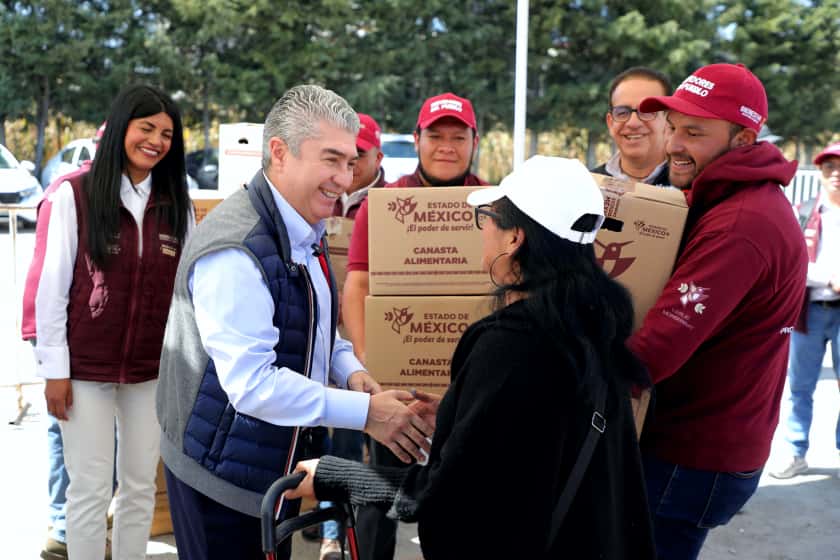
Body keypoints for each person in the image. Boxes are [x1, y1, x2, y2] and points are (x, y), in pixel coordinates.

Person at [286, 155, 656, 559]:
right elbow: (537, 437)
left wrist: (336, 476)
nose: (483, 230)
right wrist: (459, 414)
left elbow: (443, 495)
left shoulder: (512, 345)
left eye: (489, 217)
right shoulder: (592, 327)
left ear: (516, 238)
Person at [155, 84, 432, 560]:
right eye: (331, 160)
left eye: (350, 161)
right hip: (222, 479)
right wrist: (366, 413)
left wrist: (350, 372)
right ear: (279, 153)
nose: (344, 179)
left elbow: (316, 329)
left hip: (269, 469)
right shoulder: (236, 249)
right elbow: (252, 385)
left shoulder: (303, 223)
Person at [628, 63, 808, 558]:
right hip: (700, 443)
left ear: (744, 138)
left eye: (694, 132)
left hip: (691, 454)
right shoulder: (724, 198)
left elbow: (650, 354)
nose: (673, 145)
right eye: (673, 127)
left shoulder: (740, 224)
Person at [27, 84, 193, 560]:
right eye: (146, 128)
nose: (157, 141)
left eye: (166, 133)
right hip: (84, 371)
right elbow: (52, 289)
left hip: (151, 372)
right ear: (122, 126)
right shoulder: (72, 195)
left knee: (140, 486)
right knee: (90, 489)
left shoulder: (175, 201)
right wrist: (54, 370)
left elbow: (188, 290)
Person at [341, 92, 488, 560]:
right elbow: (358, 283)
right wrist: (370, 369)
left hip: (469, 388)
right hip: (399, 385)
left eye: (457, 137)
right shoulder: (385, 203)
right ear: (418, 139)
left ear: (474, 142)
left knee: (463, 504)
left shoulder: (497, 202)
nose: (447, 146)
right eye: (436, 136)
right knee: (381, 496)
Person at [22, 120, 107, 560]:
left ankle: (79, 522)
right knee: (67, 428)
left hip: (77, 331)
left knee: (79, 434)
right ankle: (63, 525)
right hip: (58, 329)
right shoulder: (73, 191)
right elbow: (55, 279)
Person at [319, 111, 385, 560]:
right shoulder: (322, 196)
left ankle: (336, 531)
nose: (351, 165)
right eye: (342, 156)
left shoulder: (391, 205)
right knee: (319, 435)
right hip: (320, 337)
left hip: (367, 342)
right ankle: (325, 522)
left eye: (359, 156)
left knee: (354, 439)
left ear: (378, 155)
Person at [770, 142, 840, 479]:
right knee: (799, 386)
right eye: (829, 168)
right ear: (821, 174)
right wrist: (828, 277)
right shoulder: (805, 210)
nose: (836, 174)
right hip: (808, 311)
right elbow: (791, 262)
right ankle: (796, 451)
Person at [591, 66, 671, 185]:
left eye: (647, 112)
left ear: (669, 120)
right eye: (622, 112)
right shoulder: (589, 186)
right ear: (610, 122)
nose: (633, 123)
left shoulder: (694, 188)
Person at [333, 112, 386, 218]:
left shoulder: (393, 202)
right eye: (342, 153)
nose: (349, 162)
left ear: (378, 158)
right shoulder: (319, 193)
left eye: (359, 154)